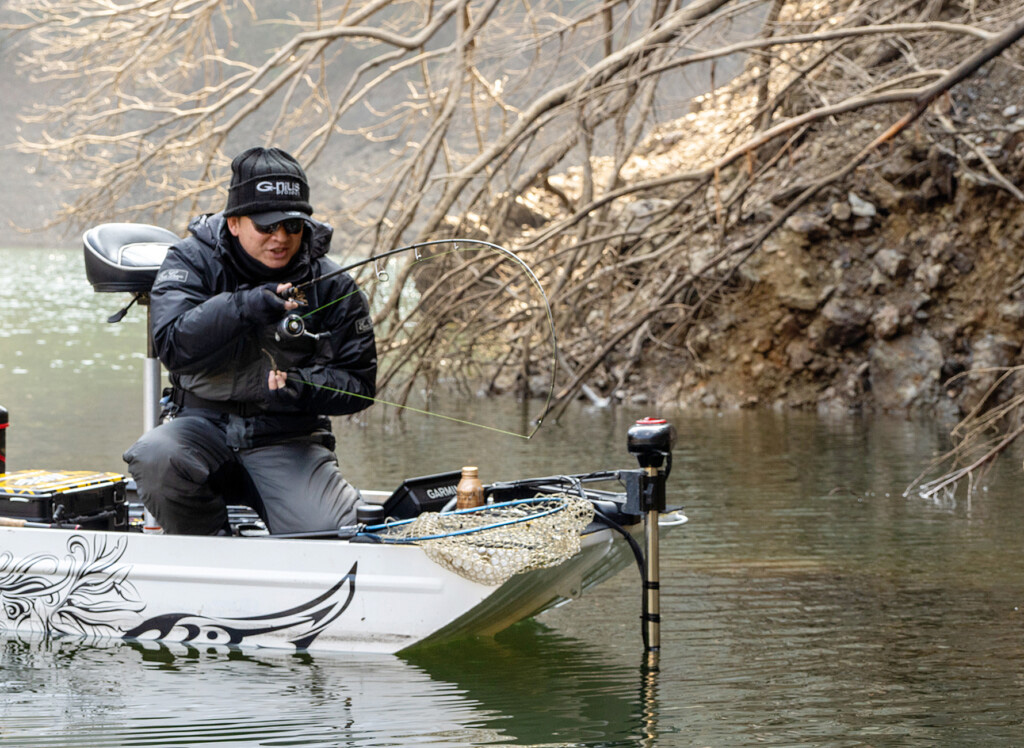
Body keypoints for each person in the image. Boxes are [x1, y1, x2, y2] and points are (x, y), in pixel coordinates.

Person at [124, 146, 377, 535]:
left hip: (289, 435)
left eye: (293, 226)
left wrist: (301, 389)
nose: (281, 238)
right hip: (200, 426)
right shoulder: (190, 262)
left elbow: (359, 386)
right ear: (234, 222)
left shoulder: (333, 283)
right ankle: (207, 545)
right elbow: (173, 346)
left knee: (327, 532)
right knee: (155, 456)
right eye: (267, 226)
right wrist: (242, 307)